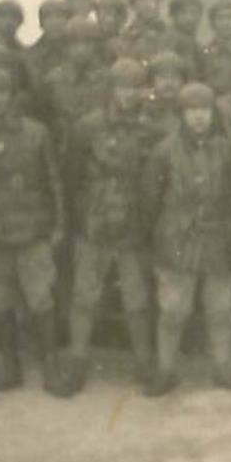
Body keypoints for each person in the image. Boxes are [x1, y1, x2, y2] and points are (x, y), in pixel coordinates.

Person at [0, 67, 69, 396]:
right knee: (0, 301)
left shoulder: (37, 133)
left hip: (33, 230)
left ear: (14, 96)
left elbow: (54, 181)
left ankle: (51, 365)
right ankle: (10, 365)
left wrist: (59, 223)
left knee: (40, 299)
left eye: (4, 92)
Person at [142, 82, 231, 396]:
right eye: (192, 111)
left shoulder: (226, 149)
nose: (199, 117)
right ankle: (166, 369)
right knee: (173, 309)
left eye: (204, 110)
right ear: (181, 115)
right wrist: (161, 237)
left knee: (220, 307)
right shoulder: (164, 151)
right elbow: (150, 199)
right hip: (178, 238)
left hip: (217, 237)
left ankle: (223, 366)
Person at [60, 59, 157, 394]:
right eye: (123, 86)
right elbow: (70, 178)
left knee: (137, 297)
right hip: (94, 221)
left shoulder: (149, 128)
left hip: (132, 224)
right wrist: (80, 219)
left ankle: (144, 362)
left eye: (136, 87)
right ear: (111, 89)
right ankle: (77, 362)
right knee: (84, 295)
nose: (130, 94)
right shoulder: (87, 127)